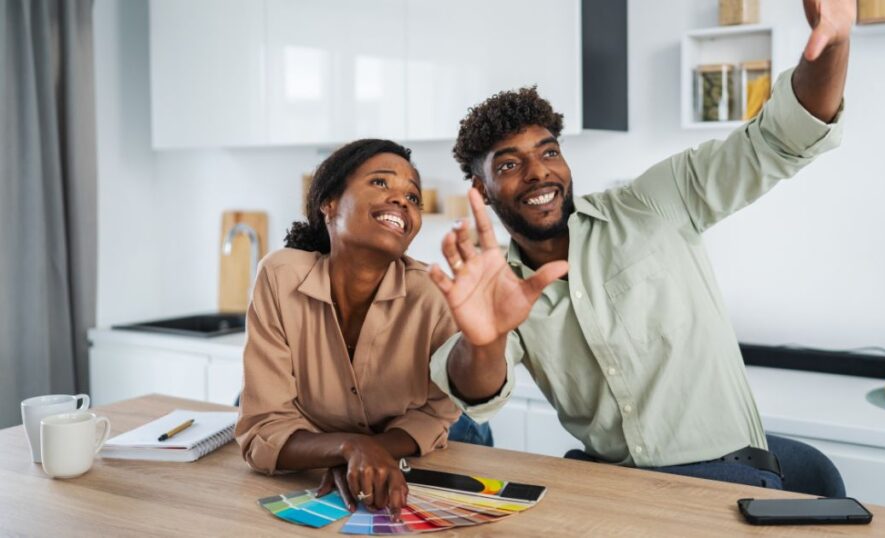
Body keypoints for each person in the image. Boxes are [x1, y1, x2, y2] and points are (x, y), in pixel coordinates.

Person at [427, 0, 853, 490]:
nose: (539, 172)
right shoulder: (499, 288)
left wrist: (836, 41)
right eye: (508, 165)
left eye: (549, 152)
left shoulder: (654, 201)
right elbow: (477, 395)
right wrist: (485, 340)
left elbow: (780, 139)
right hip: (614, 488)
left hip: (728, 479)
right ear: (480, 191)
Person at [235, 139, 461, 520]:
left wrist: (364, 450)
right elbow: (261, 433)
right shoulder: (280, 275)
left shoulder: (434, 294)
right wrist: (349, 448)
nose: (402, 199)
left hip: (422, 455)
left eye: (413, 196)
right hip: (323, 471)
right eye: (380, 183)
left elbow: (433, 417)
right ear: (330, 202)